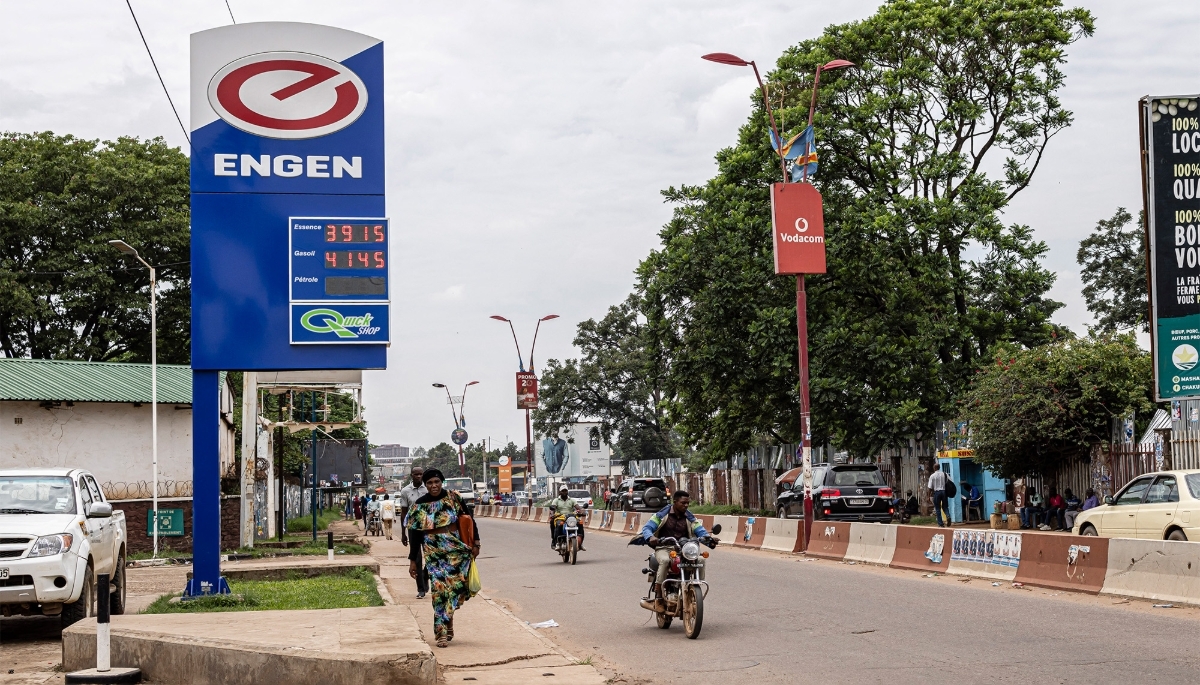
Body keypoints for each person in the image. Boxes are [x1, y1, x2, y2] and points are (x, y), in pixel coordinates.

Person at [407, 468, 480, 648]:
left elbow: (469, 520)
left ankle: (449, 620)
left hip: (455, 548)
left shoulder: (454, 497)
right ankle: (441, 632)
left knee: (455, 588)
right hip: (433, 550)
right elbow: (414, 535)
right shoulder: (419, 505)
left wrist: (476, 543)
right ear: (425, 485)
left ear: (442, 482)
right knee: (439, 590)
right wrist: (412, 561)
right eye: (429, 483)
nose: (433, 486)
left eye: (436, 482)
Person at [639, 490, 716, 612]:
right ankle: (659, 598)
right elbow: (647, 527)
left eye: (687, 503)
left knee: (701, 559)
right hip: (664, 547)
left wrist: (709, 539)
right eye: (683, 503)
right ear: (675, 502)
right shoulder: (662, 514)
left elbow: (699, 529)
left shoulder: (689, 517)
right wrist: (651, 537)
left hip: (685, 548)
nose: (686, 505)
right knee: (664, 561)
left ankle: (696, 590)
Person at [399, 467, 428, 598]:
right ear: (412, 475)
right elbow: (404, 512)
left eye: (421, 474)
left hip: (428, 527)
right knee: (416, 558)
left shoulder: (427, 488)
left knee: (431, 556)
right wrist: (403, 532)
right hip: (413, 528)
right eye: (416, 474)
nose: (419, 476)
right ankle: (421, 588)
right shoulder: (405, 491)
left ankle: (425, 576)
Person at [547, 486, 586, 551]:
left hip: (571, 517)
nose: (564, 492)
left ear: (567, 492)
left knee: (580, 524)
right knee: (559, 524)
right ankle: (556, 543)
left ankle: (580, 543)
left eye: (565, 491)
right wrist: (552, 514)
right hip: (560, 517)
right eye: (563, 491)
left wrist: (582, 512)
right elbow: (553, 509)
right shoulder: (556, 500)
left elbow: (578, 508)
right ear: (559, 492)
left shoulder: (572, 500)